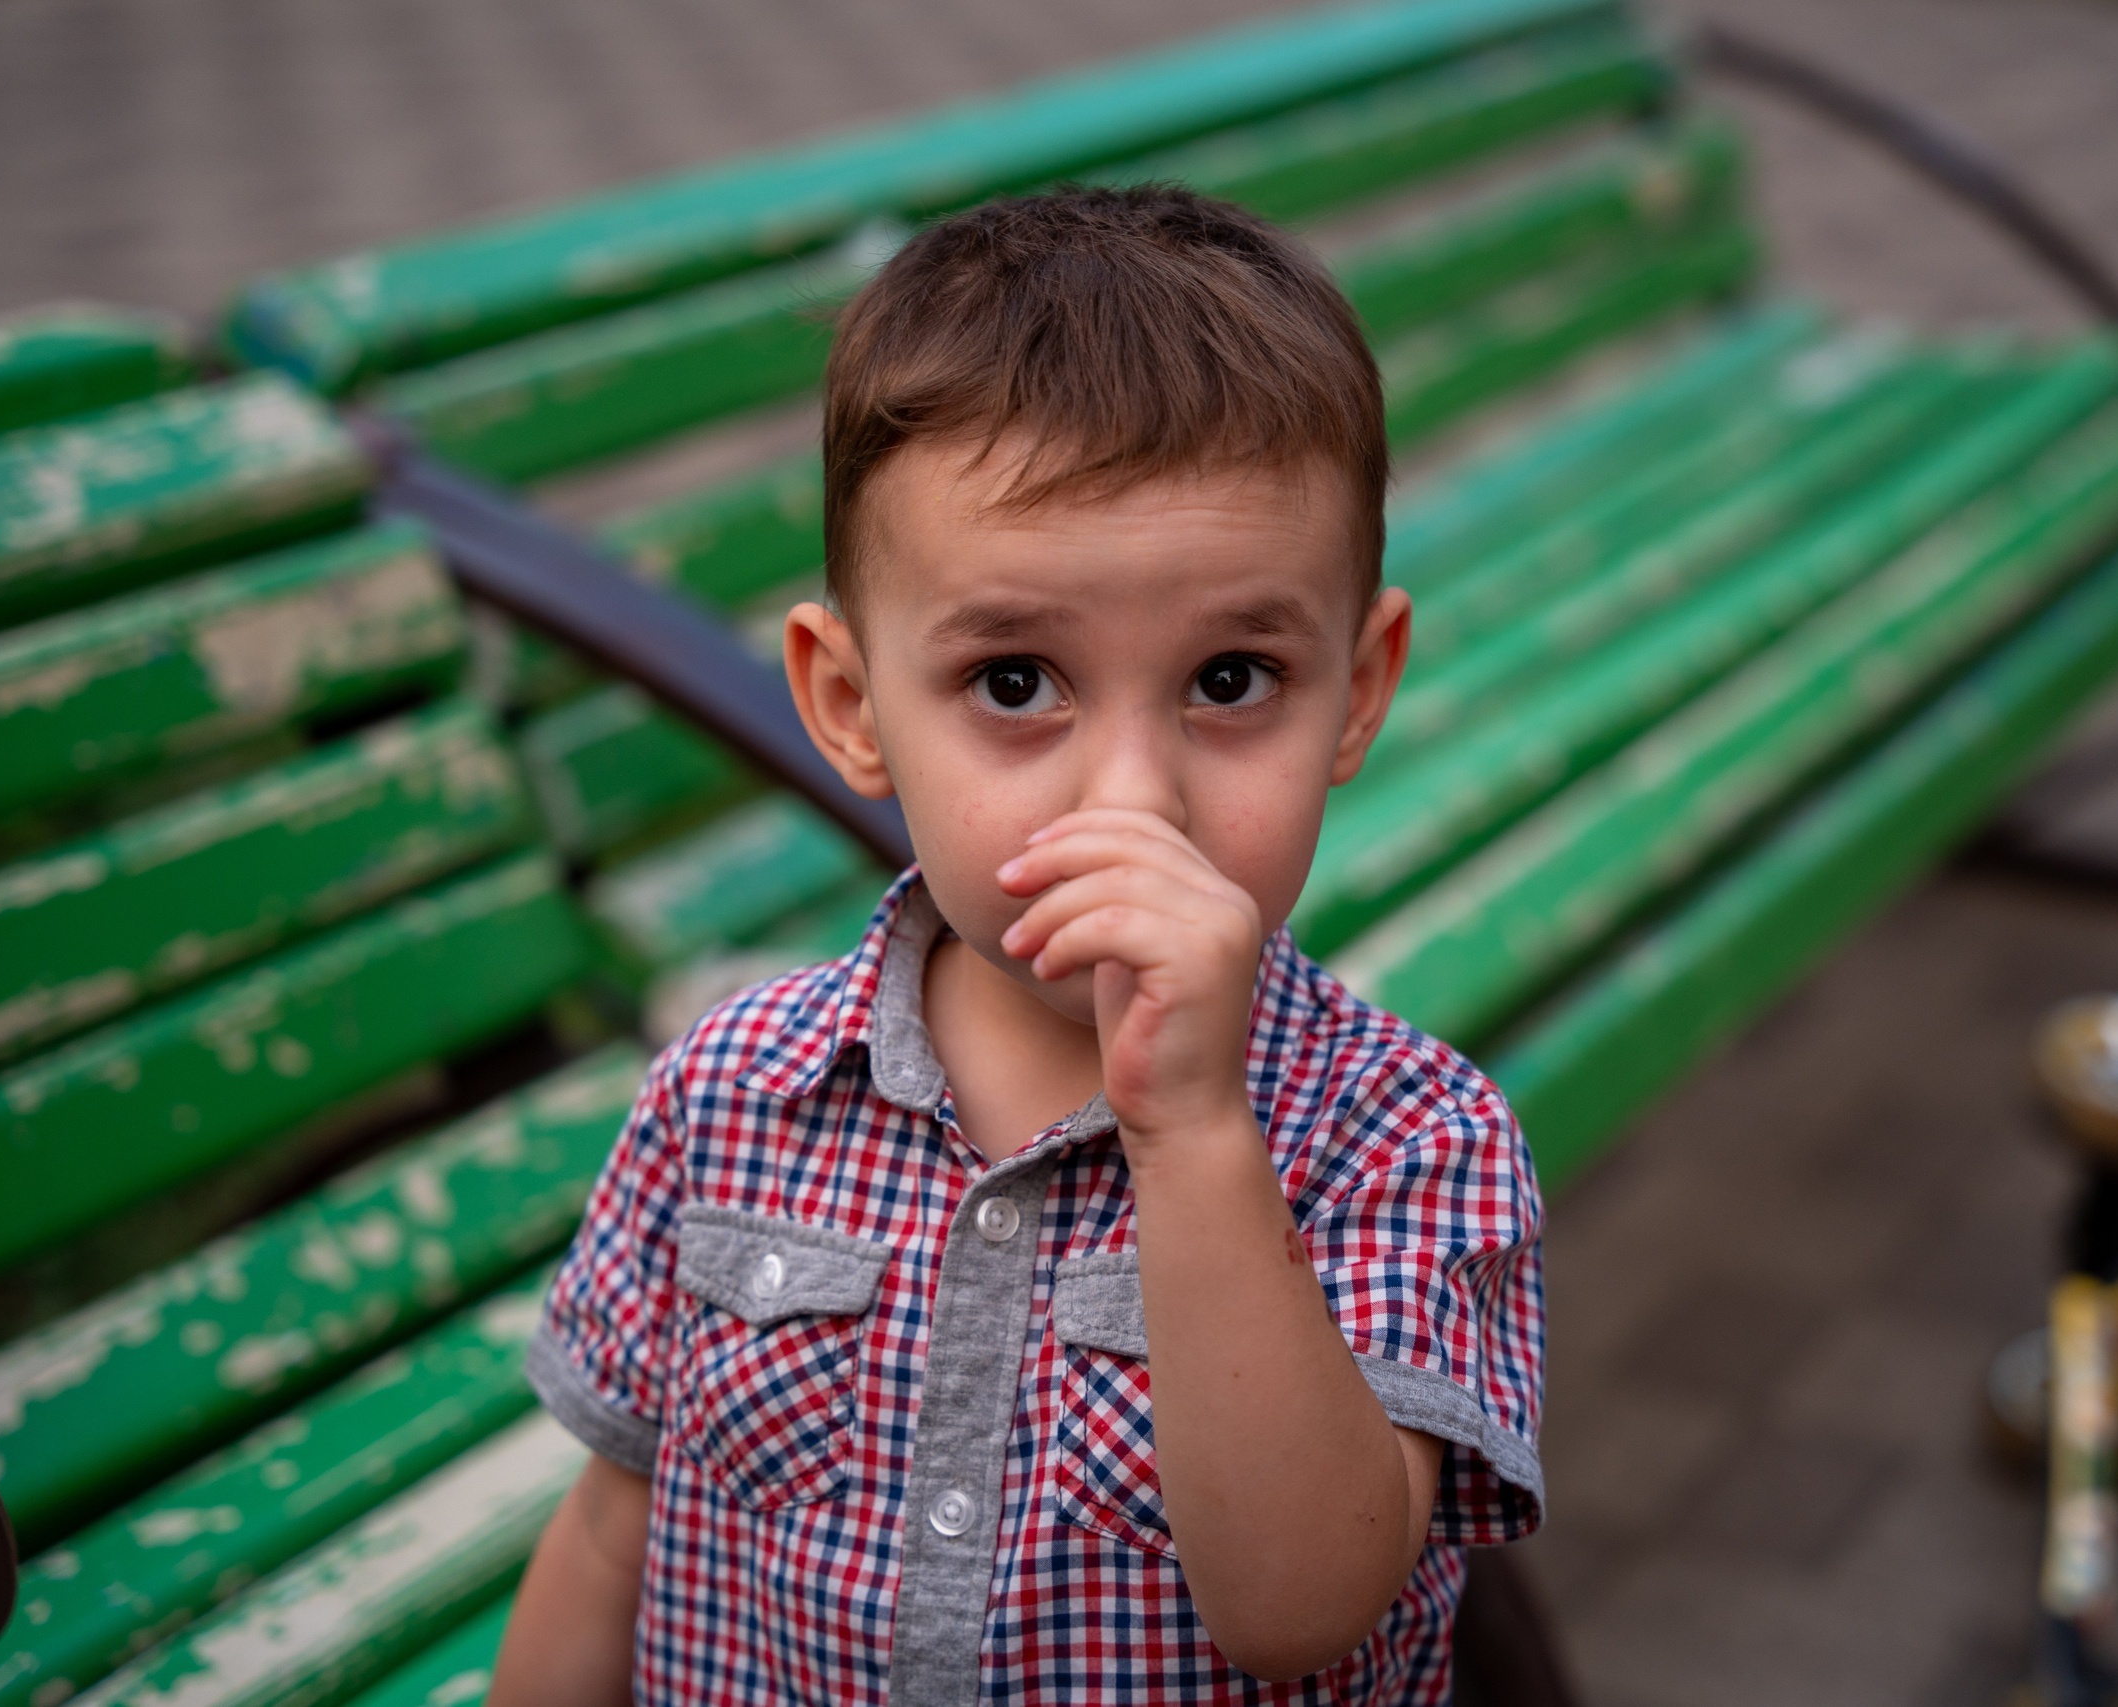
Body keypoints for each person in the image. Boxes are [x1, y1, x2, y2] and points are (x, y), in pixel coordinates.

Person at [491, 184, 1544, 1706]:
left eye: (1232, 677)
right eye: (1014, 683)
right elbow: (613, 1531)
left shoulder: (1407, 1143)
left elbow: (1304, 1606)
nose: (1135, 796)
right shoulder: (726, 1096)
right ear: (852, 704)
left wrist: (1190, 1132)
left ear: (1360, 689)